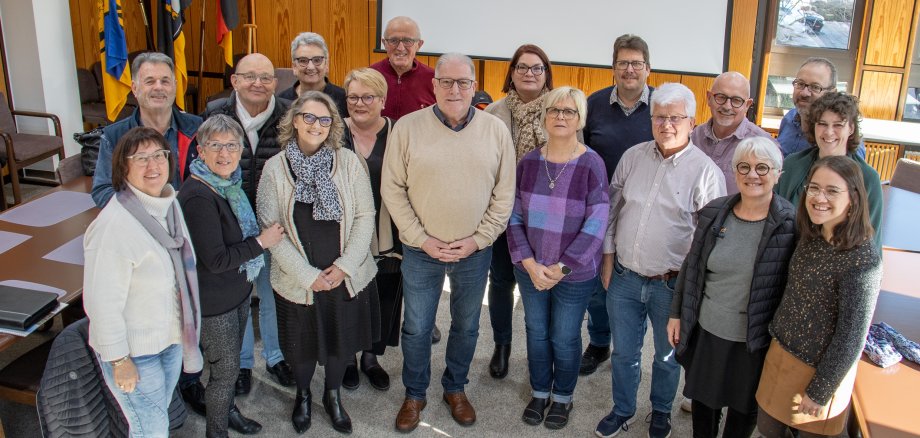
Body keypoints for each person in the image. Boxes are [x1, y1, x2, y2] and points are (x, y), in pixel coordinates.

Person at [381, 53, 515, 433]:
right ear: (434, 85)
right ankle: (415, 393)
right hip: (422, 251)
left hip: (474, 251)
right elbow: (392, 188)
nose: (455, 89)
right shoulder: (407, 128)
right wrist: (422, 239)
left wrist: (479, 239)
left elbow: (504, 195)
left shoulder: (495, 131)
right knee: (417, 327)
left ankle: (455, 388)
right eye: (446, 81)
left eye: (463, 82)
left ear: (474, 87)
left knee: (467, 325)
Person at [594, 83, 726, 438]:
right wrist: (607, 258)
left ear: (692, 121)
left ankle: (661, 413)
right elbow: (611, 212)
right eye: (659, 117)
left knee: (667, 358)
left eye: (675, 117)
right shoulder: (632, 157)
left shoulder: (706, 173)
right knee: (624, 353)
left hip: (672, 285)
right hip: (624, 276)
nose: (666, 124)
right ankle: (623, 410)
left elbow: (709, 242)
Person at [256, 91, 380, 435]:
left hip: (346, 275)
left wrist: (345, 267)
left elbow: (366, 215)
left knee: (341, 344)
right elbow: (270, 230)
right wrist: (307, 276)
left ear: (333, 125)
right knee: (301, 347)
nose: (316, 125)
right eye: (308, 117)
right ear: (294, 120)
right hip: (299, 280)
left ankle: (332, 395)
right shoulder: (274, 168)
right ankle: (303, 395)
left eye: (325, 120)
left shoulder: (348, 162)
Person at [666, 137, 797, 438]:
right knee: (703, 408)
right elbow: (692, 265)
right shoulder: (715, 212)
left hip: (752, 341)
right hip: (709, 332)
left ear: (778, 173)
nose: (753, 175)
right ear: (735, 173)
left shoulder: (790, 223)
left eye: (763, 167)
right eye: (744, 167)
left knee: (742, 413)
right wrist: (676, 313)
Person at [84, 127, 203, 437]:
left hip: (169, 338)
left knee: (154, 419)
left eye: (159, 156)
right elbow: (101, 303)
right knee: (150, 430)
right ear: (123, 168)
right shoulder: (114, 225)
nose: (153, 166)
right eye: (141, 159)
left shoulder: (169, 205)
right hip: (135, 351)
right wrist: (119, 359)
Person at [756, 156, 882, 437]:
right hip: (779, 360)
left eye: (832, 190)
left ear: (854, 198)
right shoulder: (810, 236)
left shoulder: (863, 260)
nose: (818, 197)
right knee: (766, 429)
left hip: (818, 376)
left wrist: (821, 389)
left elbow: (852, 335)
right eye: (813, 188)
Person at [506, 86, 608, 429]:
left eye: (569, 112)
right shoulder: (529, 162)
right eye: (554, 110)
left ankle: (563, 397)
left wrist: (562, 267)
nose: (561, 117)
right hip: (530, 269)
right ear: (544, 116)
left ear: (580, 119)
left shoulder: (592, 163)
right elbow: (514, 216)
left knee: (564, 336)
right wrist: (531, 264)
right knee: (535, 331)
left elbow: (597, 223)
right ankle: (539, 391)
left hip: (574, 273)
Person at [179, 115, 284, 437]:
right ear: (200, 150)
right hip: (214, 302)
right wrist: (260, 243)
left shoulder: (229, 186)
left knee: (230, 367)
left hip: (236, 291)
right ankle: (217, 431)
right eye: (215, 146)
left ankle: (227, 413)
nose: (224, 154)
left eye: (232, 146)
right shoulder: (198, 195)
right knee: (224, 374)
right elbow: (216, 259)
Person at [198, 53, 296, 399]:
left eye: (266, 77)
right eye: (249, 76)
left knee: (271, 294)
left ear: (276, 83)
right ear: (234, 81)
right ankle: (241, 364)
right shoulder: (215, 114)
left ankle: (275, 356)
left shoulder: (289, 116)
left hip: (273, 226)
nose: (259, 83)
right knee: (238, 298)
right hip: (230, 228)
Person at [580, 34, 655, 376]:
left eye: (636, 63)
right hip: (598, 213)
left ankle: (631, 348)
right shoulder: (592, 105)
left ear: (648, 69)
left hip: (646, 215)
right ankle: (598, 343)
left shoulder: (663, 109)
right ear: (612, 68)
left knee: (635, 289)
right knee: (598, 286)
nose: (629, 70)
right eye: (622, 63)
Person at [483, 43, 555, 380]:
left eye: (536, 68)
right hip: (499, 212)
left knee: (541, 282)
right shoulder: (492, 113)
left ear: (546, 75)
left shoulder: (560, 110)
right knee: (501, 281)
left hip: (544, 215)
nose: (529, 73)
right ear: (511, 73)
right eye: (522, 67)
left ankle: (541, 350)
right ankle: (502, 344)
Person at [339, 67, 400, 392]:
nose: (359, 103)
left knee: (384, 299)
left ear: (382, 100)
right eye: (353, 97)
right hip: (345, 238)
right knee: (349, 297)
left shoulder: (398, 132)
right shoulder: (334, 132)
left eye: (367, 97)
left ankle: (371, 359)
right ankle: (348, 357)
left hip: (391, 235)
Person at [92, 52, 202, 208]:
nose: (158, 87)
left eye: (165, 81)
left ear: (175, 86)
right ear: (135, 88)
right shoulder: (114, 136)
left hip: (190, 218)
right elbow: (103, 191)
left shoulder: (198, 128)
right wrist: (149, 208)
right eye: (150, 81)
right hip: (140, 222)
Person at [775, 91, 882, 247]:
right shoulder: (792, 165)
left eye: (838, 125)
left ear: (851, 128)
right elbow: (774, 221)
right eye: (822, 124)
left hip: (841, 265)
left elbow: (872, 242)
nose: (829, 132)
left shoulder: (868, 178)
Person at [691, 72, 780, 195]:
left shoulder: (765, 145)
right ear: (709, 98)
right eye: (721, 97)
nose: (727, 106)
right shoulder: (694, 137)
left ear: (747, 105)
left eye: (736, 100)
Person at [776, 57, 865, 158]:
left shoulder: (842, 137)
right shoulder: (789, 118)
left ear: (832, 93)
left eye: (815, 87)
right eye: (800, 84)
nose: (804, 93)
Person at [370, 16, 435, 120]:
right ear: (384, 43)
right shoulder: (370, 76)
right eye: (393, 40)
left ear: (419, 45)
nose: (400, 48)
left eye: (407, 41)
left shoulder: (434, 79)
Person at [278, 32, 348, 119]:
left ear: (326, 65)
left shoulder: (345, 100)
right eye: (303, 60)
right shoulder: (280, 101)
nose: (310, 67)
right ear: (294, 67)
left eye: (317, 60)